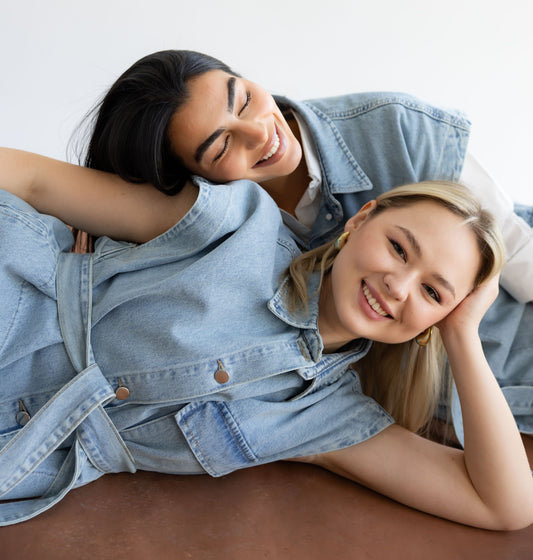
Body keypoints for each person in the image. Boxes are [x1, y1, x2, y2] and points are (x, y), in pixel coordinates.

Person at [0, 147, 532, 530]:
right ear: (361, 219)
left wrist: (462, 335)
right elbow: (38, 184)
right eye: (398, 248)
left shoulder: (323, 418)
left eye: (434, 294)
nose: (399, 285)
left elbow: (505, 506)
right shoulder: (240, 224)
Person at [74, 50, 533, 304]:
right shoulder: (213, 227)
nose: (260, 132)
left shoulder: (397, 128)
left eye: (245, 99)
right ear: (191, 178)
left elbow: (515, 248)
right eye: (222, 145)